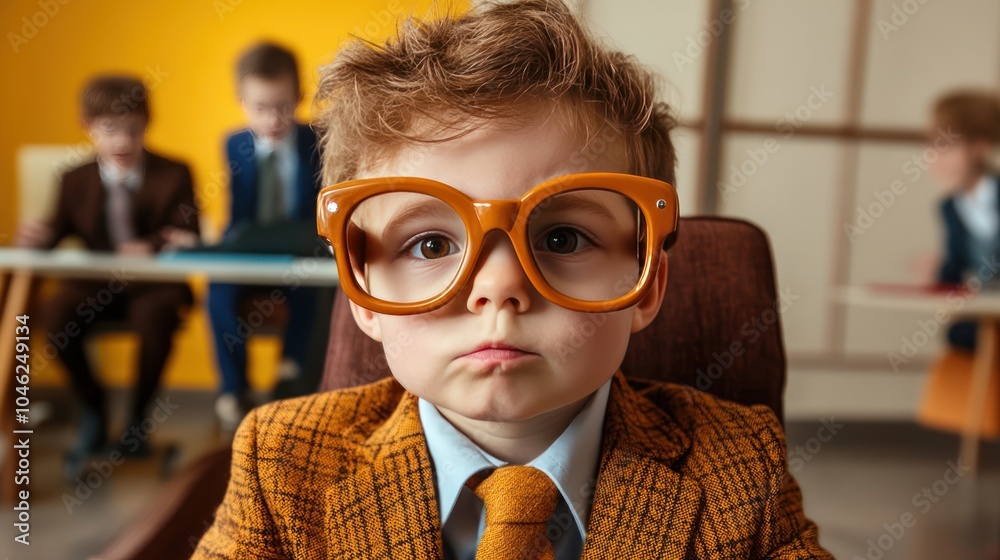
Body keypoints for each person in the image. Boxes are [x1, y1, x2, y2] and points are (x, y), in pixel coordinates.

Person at [194, 1, 832, 557]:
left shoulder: (741, 468)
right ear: (364, 293)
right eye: (432, 243)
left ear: (648, 281)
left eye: (562, 238)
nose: (498, 289)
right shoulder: (280, 461)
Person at [15, 75, 200, 472]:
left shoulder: (175, 172)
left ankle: (136, 422)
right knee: (54, 314)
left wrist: (153, 244)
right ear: (87, 127)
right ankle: (94, 410)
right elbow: (58, 229)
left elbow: (190, 231)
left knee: (157, 315)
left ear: (147, 124)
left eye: (132, 130)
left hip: (153, 288)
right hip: (94, 287)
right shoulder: (73, 178)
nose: (122, 142)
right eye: (110, 131)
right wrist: (37, 236)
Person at [207, 41, 323, 429]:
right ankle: (232, 389)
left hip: (300, 254)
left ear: (299, 97)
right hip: (249, 256)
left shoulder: (319, 141)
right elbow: (237, 217)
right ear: (241, 102)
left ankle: (291, 374)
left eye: (282, 106)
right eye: (261, 108)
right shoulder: (234, 144)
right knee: (219, 286)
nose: (273, 118)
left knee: (316, 281)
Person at [931, 90, 1000, 351]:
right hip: (983, 321)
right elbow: (953, 269)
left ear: (980, 147)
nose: (935, 158)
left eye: (946, 145)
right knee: (961, 335)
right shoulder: (949, 208)